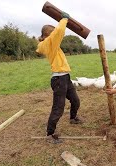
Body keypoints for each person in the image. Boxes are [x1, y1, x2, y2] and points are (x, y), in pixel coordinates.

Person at [36, 12, 82, 144]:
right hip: (58, 80)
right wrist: (64, 19)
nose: (56, 34)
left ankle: (73, 118)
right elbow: (59, 31)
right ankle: (50, 134)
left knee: (75, 100)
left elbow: (58, 32)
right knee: (58, 108)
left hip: (65, 77)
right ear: (48, 35)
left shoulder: (51, 44)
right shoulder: (49, 43)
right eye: (53, 32)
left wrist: (64, 20)